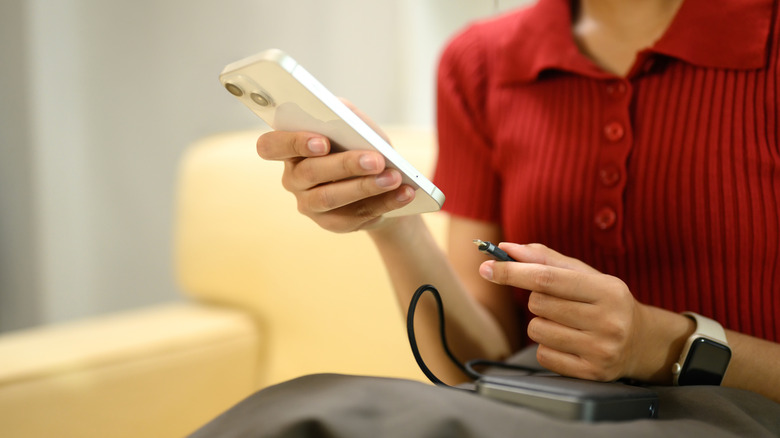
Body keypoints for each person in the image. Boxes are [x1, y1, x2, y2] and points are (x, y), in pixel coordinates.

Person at [255, 0, 780, 405]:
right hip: (536, 416)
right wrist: (391, 215)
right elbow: (475, 363)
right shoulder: (479, 64)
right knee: (305, 412)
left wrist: (659, 345)